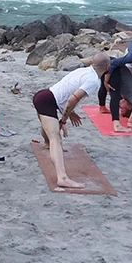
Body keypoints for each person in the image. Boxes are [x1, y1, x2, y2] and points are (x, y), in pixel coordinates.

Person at [33, 53, 110, 189]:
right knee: (56, 138)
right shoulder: (93, 81)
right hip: (48, 101)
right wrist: (63, 120)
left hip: (44, 95)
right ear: (107, 67)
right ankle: (62, 178)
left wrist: (71, 113)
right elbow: (71, 99)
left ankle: (46, 143)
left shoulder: (82, 71)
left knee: (49, 129)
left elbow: (65, 92)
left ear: (92, 62)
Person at [98, 65, 132, 132]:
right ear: (129, 107)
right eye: (122, 108)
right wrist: (130, 121)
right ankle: (117, 126)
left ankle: (102, 108)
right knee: (113, 94)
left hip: (114, 68)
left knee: (106, 87)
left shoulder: (125, 97)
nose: (120, 106)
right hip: (117, 68)